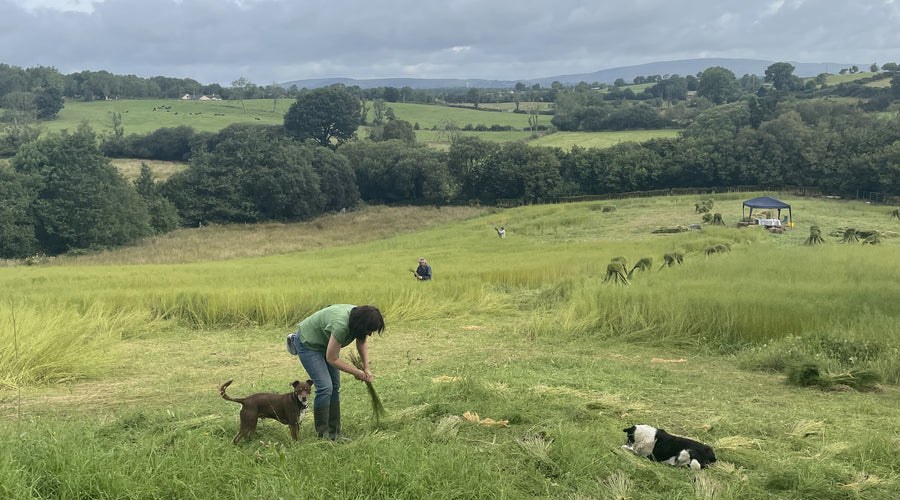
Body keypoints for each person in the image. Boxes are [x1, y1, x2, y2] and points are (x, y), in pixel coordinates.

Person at [291, 304, 385, 441]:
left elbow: (362, 342)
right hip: (309, 344)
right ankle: (323, 435)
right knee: (325, 387)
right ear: (361, 325)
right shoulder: (341, 325)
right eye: (369, 330)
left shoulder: (360, 318)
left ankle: (335, 433)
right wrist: (355, 372)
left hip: (326, 345)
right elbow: (332, 358)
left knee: (335, 387)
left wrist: (366, 367)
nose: (370, 333)